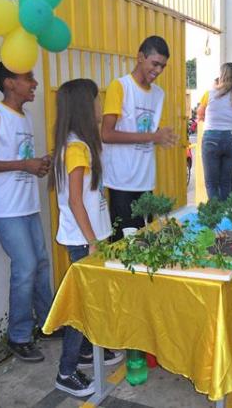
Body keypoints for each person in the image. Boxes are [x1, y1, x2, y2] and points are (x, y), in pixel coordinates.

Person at [0, 62, 54, 362]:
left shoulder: (26, 116)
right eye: (28, 78)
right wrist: (24, 165)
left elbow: (18, 159)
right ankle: (18, 336)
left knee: (41, 263)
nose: (34, 83)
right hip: (6, 206)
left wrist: (37, 165)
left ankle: (46, 323)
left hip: (27, 202)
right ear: (9, 83)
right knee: (26, 266)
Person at [48, 78, 123, 396]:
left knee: (92, 300)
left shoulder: (81, 143)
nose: (100, 106)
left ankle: (86, 351)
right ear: (84, 106)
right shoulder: (77, 148)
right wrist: (93, 240)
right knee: (82, 306)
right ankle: (66, 372)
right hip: (83, 240)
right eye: (96, 100)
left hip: (89, 236)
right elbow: (76, 200)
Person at [101, 36, 177, 240]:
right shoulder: (120, 87)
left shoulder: (159, 94)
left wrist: (161, 136)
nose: (158, 70)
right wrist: (154, 136)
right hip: (122, 182)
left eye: (163, 66)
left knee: (146, 243)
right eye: (155, 64)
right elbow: (106, 134)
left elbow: (145, 128)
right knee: (125, 246)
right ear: (140, 58)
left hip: (145, 181)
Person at [197, 63, 232, 200]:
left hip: (211, 139)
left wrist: (206, 117)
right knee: (226, 183)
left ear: (222, 76)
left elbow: (199, 114)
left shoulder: (209, 94)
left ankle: (215, 216)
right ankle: (225, 217)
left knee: (211, 183)